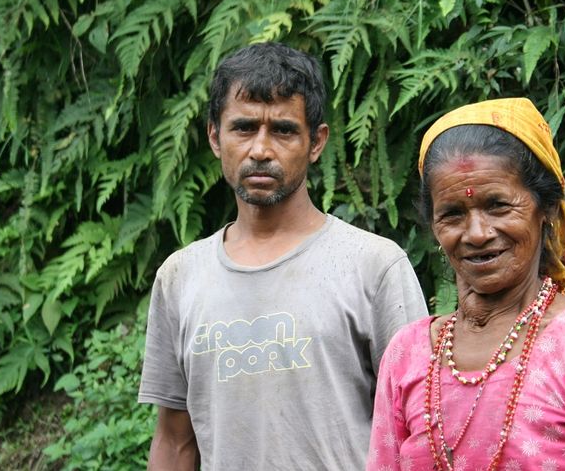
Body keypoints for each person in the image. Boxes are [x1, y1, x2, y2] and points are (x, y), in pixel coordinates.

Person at [138, 42, 427, 470]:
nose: (260, 149)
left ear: (316, 142)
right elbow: (175, 442)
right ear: (215, 137)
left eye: (284, 130)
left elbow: (419, 429)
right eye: (243, 127)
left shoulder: (374, 267)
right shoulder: (180, 277)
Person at [368, 98, 565, 470]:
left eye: (498, 206)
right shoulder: (407, 354)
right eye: (453, 214)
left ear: (548, 211)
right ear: (434, 226)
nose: (476, 234)